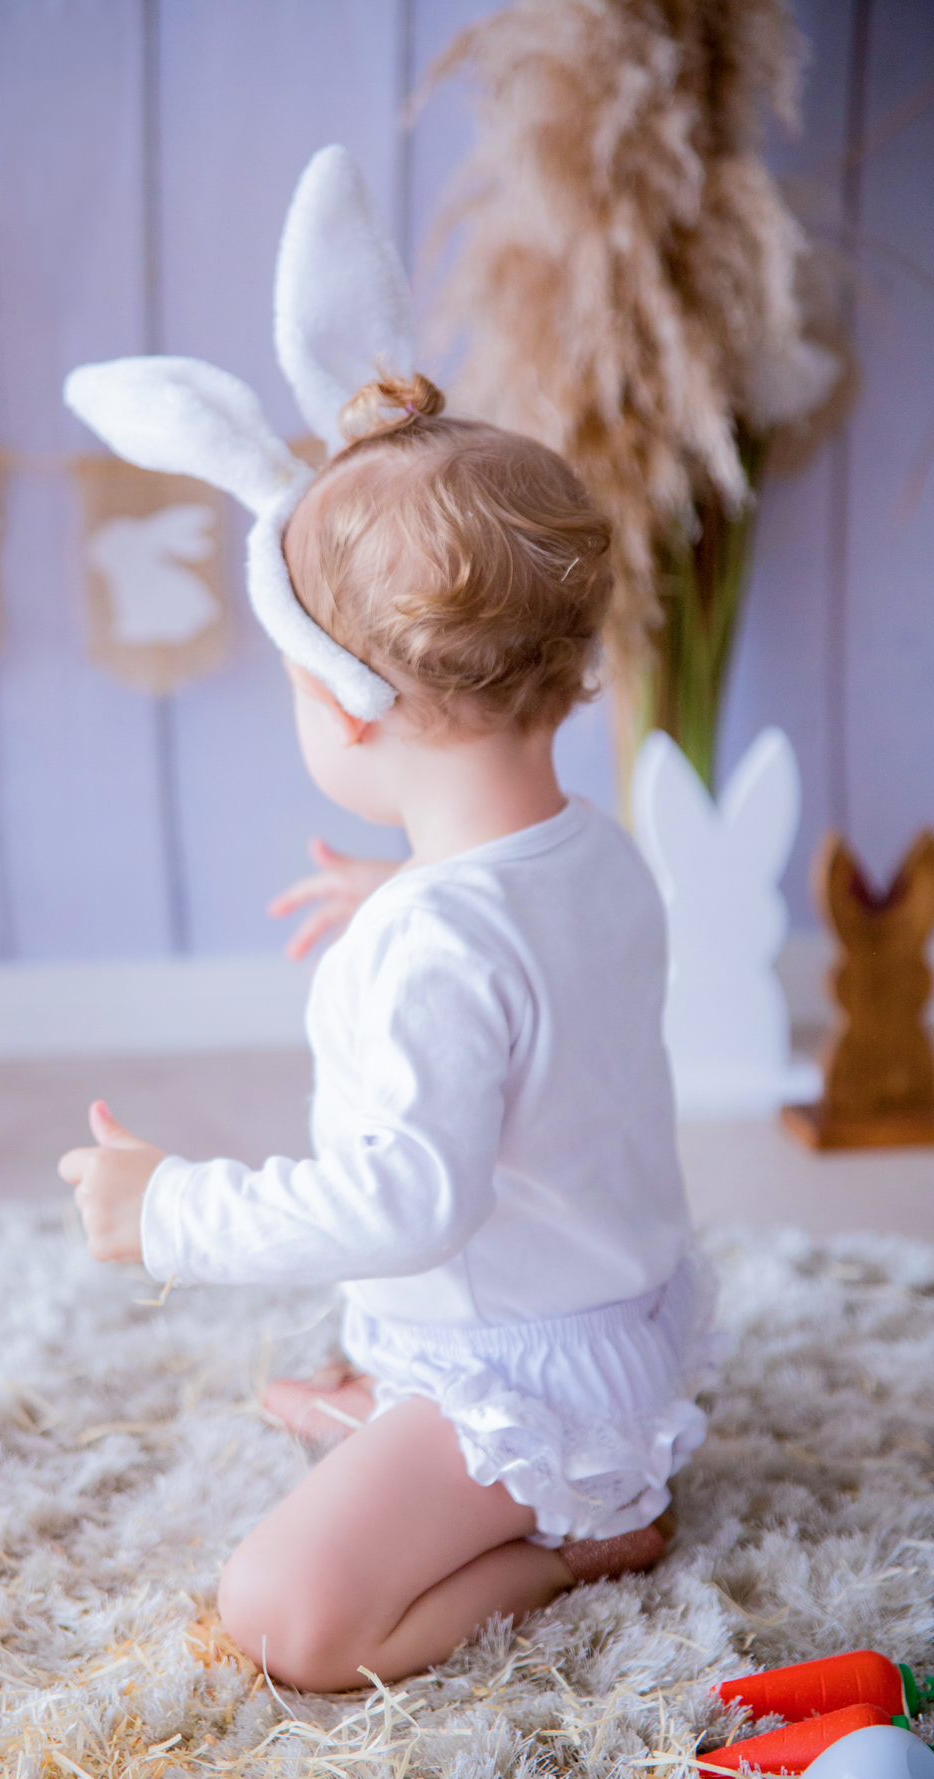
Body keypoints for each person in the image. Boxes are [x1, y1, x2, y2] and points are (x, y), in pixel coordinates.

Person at [58, 373, 716, 1693]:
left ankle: (574, 1546)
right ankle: (433, 1429)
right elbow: (529, 980)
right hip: (610, 1318)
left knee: (284, 1615)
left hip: (523, 1371)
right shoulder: (597, 858)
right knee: (377, 1409)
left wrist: (175, 1211)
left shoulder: (443, 948)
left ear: (348, 702)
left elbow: (402, 1206)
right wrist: (403, 898)